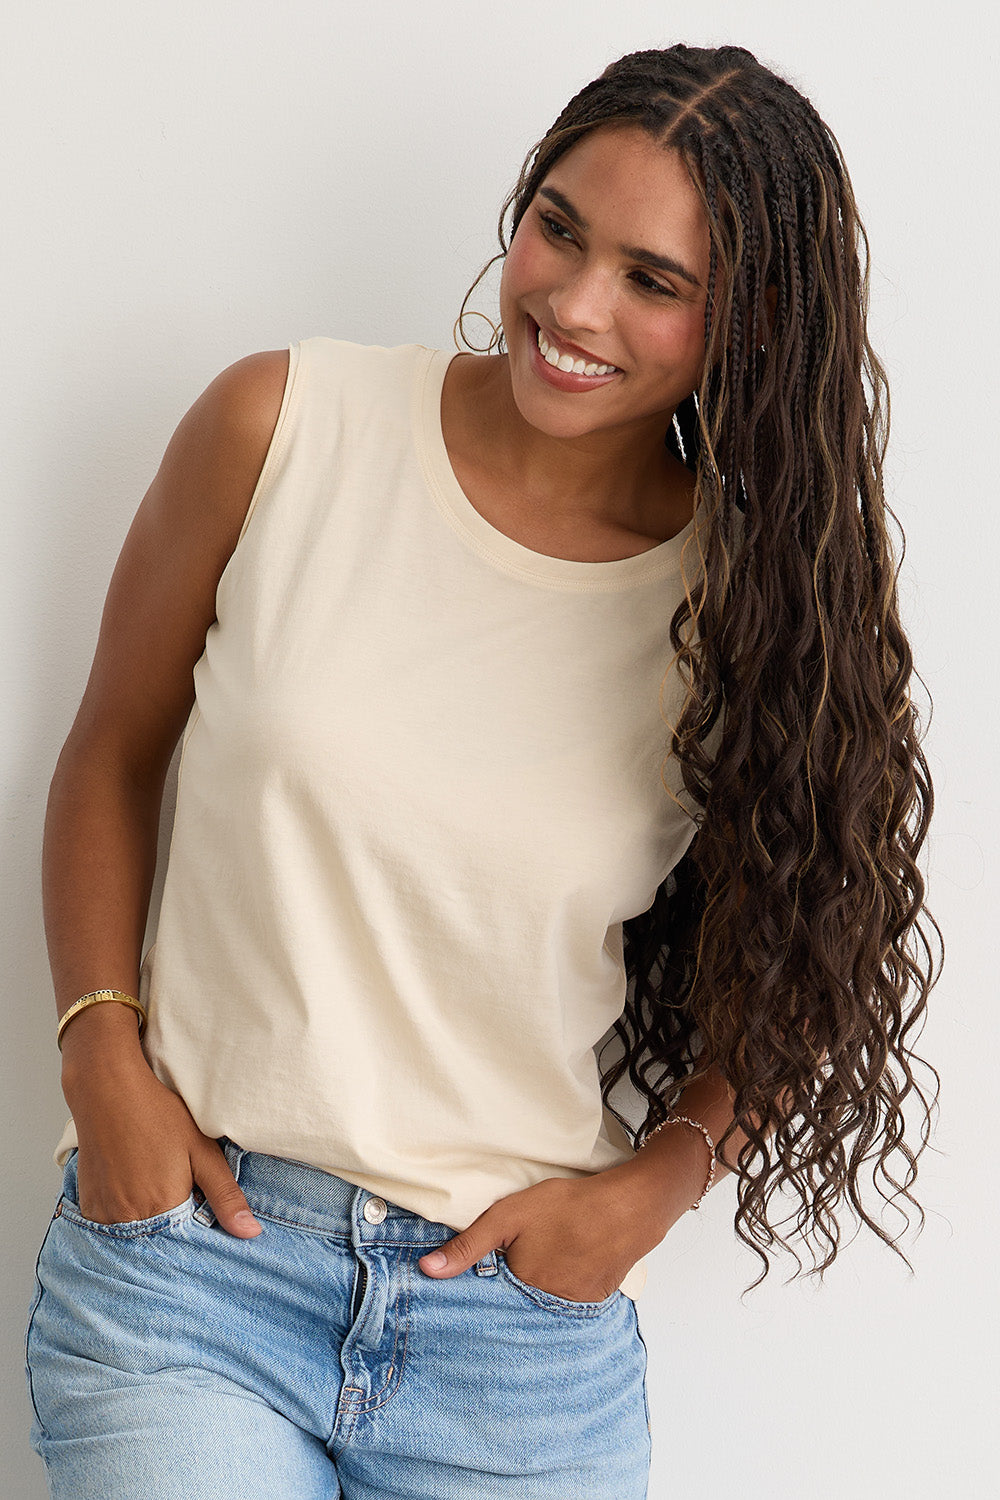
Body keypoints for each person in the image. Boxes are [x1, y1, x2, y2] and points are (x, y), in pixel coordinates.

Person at [23, 41, 941, 1500]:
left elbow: (815, 943)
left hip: (512, 1342)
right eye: (559, 229)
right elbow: (110, 750)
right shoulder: (282, 424)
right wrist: (101, 1056)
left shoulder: (750, 605)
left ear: (751, 322)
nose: (573, 305)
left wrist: (653, 1190)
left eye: (654, 280)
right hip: (200, 1266)